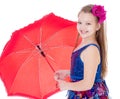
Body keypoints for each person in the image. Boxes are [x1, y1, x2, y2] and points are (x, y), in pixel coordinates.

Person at [54, 4, 109, 99]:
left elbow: (87, 84)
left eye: (88, 24)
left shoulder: (91, 49)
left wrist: (66, 85)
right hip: (79, 94)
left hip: (89, 95)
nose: (82, 27)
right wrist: (68, 73)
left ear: (97, 26)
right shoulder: (83, 45)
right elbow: (85, 70)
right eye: (80, 22)